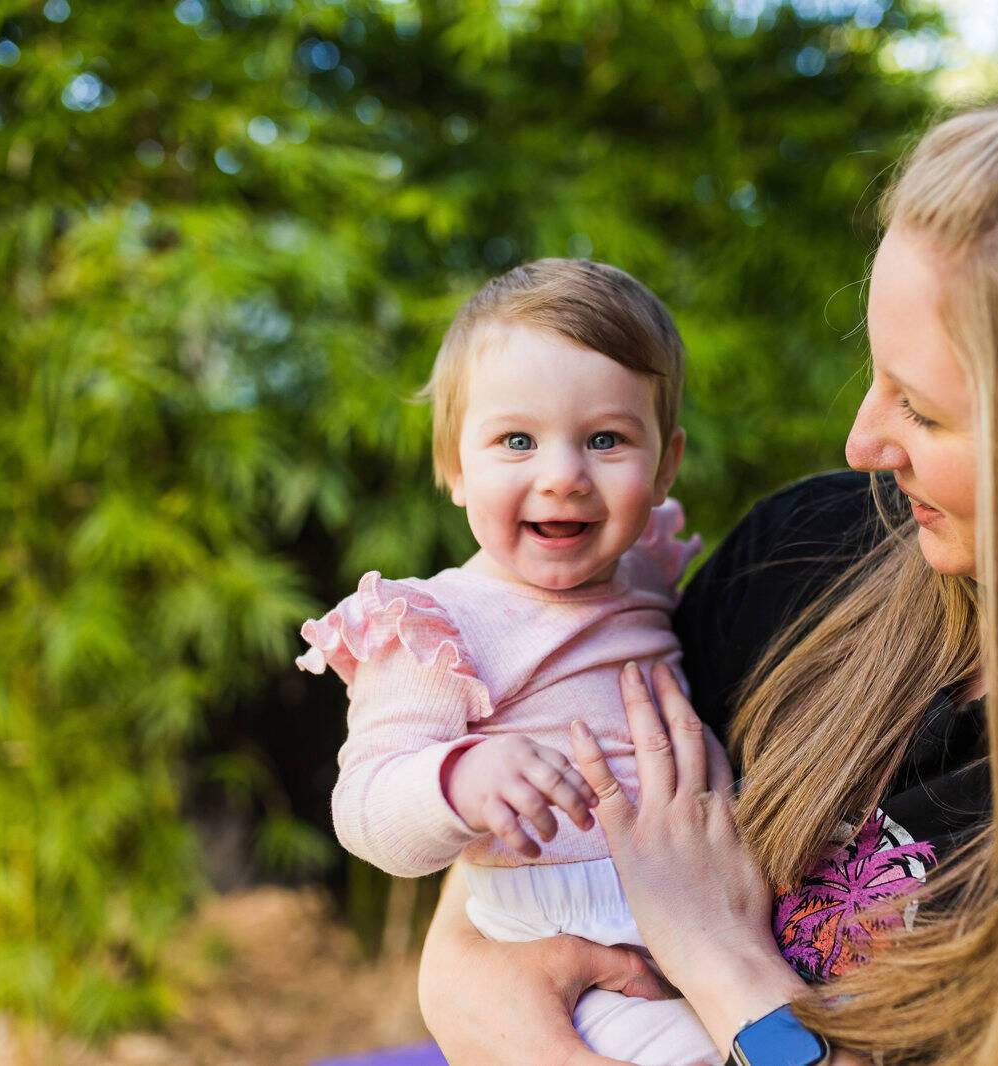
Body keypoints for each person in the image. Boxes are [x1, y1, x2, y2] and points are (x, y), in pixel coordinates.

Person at [419, 57, 998, 1066]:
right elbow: (512, 835)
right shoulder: (800, 561)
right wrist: (478, 992)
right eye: (874, 379)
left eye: (921, 407)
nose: (861, 441)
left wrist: (724, 963)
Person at [299, 258, 721, 1064]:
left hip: (703, 913)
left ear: (664, 465)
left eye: (605, 439)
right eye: (517, 441)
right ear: (455, 466)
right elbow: (366, 809)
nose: (562, 476)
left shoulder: (647, 573)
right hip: (564, 935)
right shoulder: (438, 624)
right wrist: (459, 779)